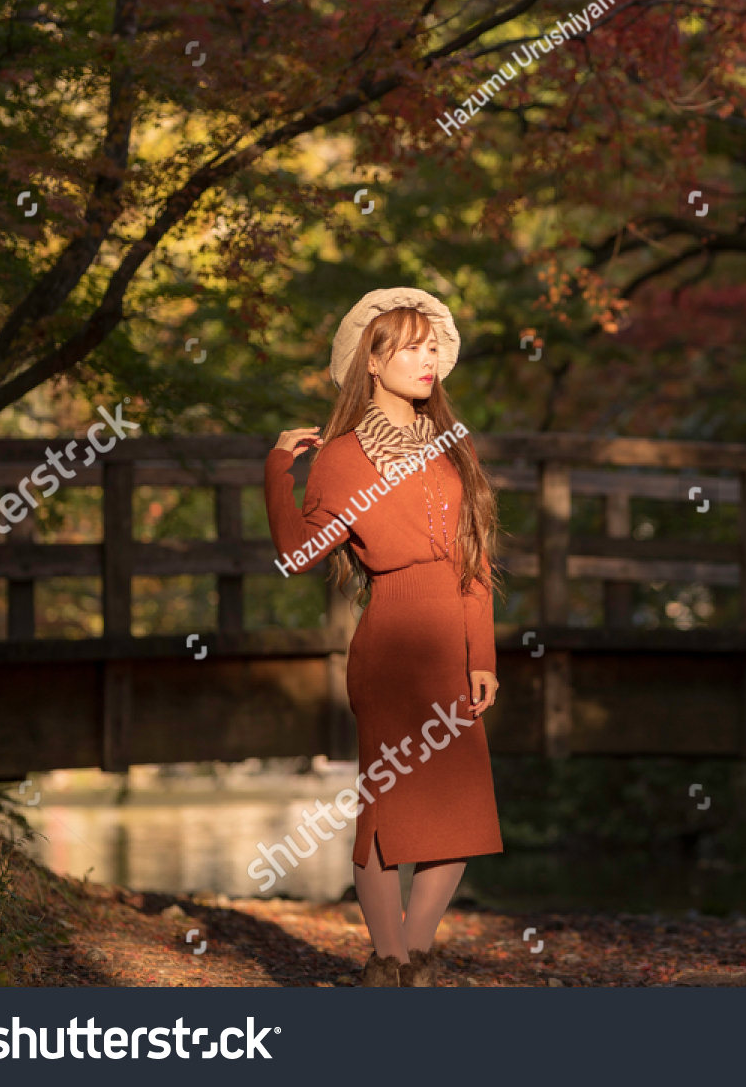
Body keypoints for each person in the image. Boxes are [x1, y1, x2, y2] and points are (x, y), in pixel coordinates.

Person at [263, 287, 502, 987]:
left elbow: (475, 558)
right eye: (411, 346)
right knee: (388, 808)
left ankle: (411, 955)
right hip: (392, 637)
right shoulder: (341, 458)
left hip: (453, 637)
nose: (428, 360)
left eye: (434, 347)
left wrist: (481, 655)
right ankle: (389, 960)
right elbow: (299, 553)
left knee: (459, 810)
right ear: (372, 359)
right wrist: (279, 469)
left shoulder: (453, 449)